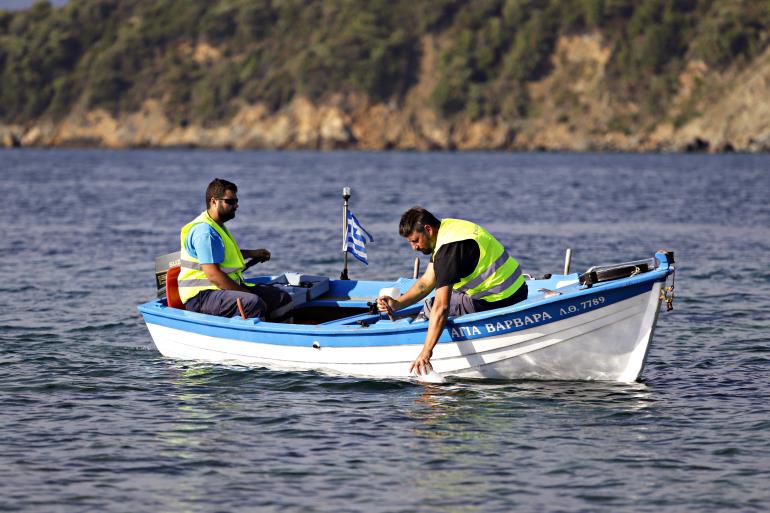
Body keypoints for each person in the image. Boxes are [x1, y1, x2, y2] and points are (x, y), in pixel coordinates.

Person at [378, 206, 528, 375]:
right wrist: (397, 304)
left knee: (431, 306)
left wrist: (427, 352)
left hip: (496, 300)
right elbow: (426, 282)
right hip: (519, 291)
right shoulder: (451, 228)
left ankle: (416, 344)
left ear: (428, 229)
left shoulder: (448, 251)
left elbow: (442, 307)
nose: (414, 247)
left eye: (415, 240)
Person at [177, 178, 292, 320]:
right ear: (213, 202)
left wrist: (252, 253)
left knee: (281, 297)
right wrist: (245, 293)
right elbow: (213, 275)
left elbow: (223, 256)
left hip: (217, 290)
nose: (236, 205)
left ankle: (280, 336)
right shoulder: (205, 232)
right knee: (252, 303)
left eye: (236, 201)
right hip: (201, 296)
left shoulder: (216, 226)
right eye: (230, 201)